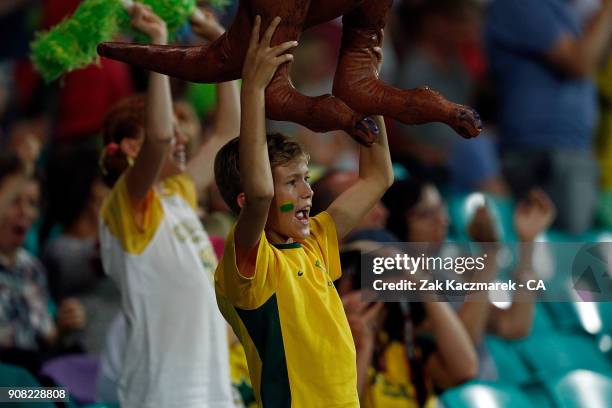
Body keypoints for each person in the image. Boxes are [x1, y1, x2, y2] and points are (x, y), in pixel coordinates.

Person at [214, 16, 393, 406]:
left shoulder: (316, 242)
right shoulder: (251, 265)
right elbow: (260, 194)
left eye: (306, 178)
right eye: (292, 182)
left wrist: (367, 89)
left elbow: (378, 177)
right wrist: (254, 89)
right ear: (246, 202)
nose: (308, 192)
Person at [97, 4, 240, 407]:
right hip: (162, 396)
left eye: (180, 132)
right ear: (129, 148)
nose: (180, 140)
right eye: (170, 131)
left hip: (212, 394)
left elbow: (227, 130)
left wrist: (219, 44)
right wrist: (158, 45)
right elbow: (159, 139)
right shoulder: (126, 202)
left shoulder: (177, 194)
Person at [485, 0, 612, 234]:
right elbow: (579, 63)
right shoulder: (520, 5)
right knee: (562, 256)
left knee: (574, 257)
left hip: (570, 153)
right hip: (544, 155)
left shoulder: (562, 9)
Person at [0, 158, 86, 375]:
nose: (25, 212)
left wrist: (63, 326)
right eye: (14, 201)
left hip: (30, 378)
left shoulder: (32, 268)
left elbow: (46, 337)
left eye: (32, 203)